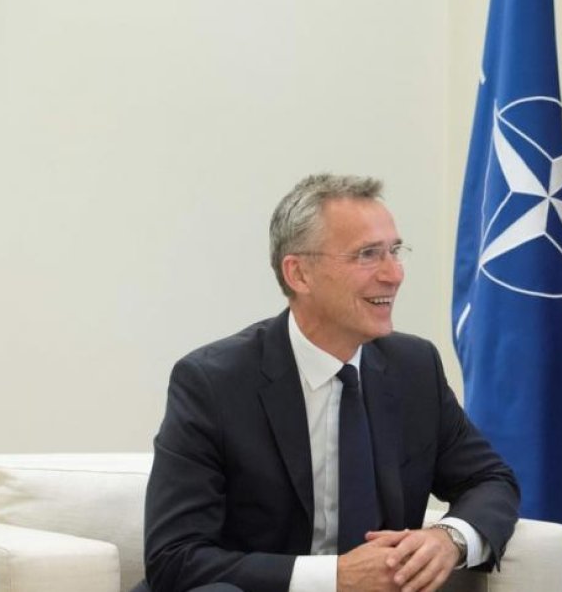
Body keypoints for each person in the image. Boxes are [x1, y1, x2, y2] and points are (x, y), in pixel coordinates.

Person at [141, 174, 519, 592]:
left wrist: (449, 539)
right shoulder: (213, 383)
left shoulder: (414, 368)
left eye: (395, 251)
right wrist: (334, 578)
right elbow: (174, 558)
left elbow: (490, 480)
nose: (393, 275)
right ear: (299, 273)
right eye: (367, 255)